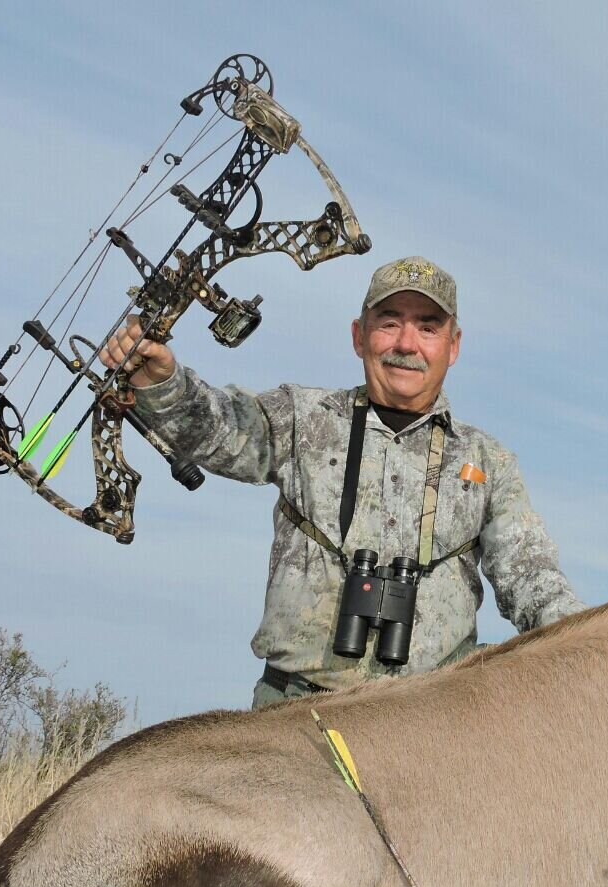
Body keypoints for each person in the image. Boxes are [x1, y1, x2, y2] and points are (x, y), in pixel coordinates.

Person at [100, 255, 583, 705]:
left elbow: (532, 580)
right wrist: (160, 382)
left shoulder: (487, 461)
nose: (406, 345)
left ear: (453, 346)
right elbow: (216, 429)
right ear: (359, 335)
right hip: (297, 710)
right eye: (389, 323)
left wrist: (596, 655)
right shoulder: (301, 416)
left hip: (432, 722)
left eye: (428, 328)